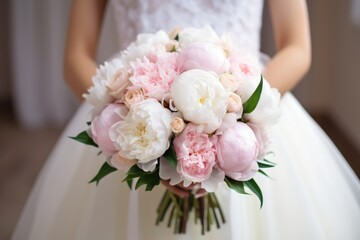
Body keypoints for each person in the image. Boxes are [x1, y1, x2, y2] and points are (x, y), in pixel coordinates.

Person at [12, 0, 360, 239]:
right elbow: (75, 57)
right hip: (136, 113)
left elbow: (298, 47)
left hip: (247, 106)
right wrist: (137, 123)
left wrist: (236, 117)